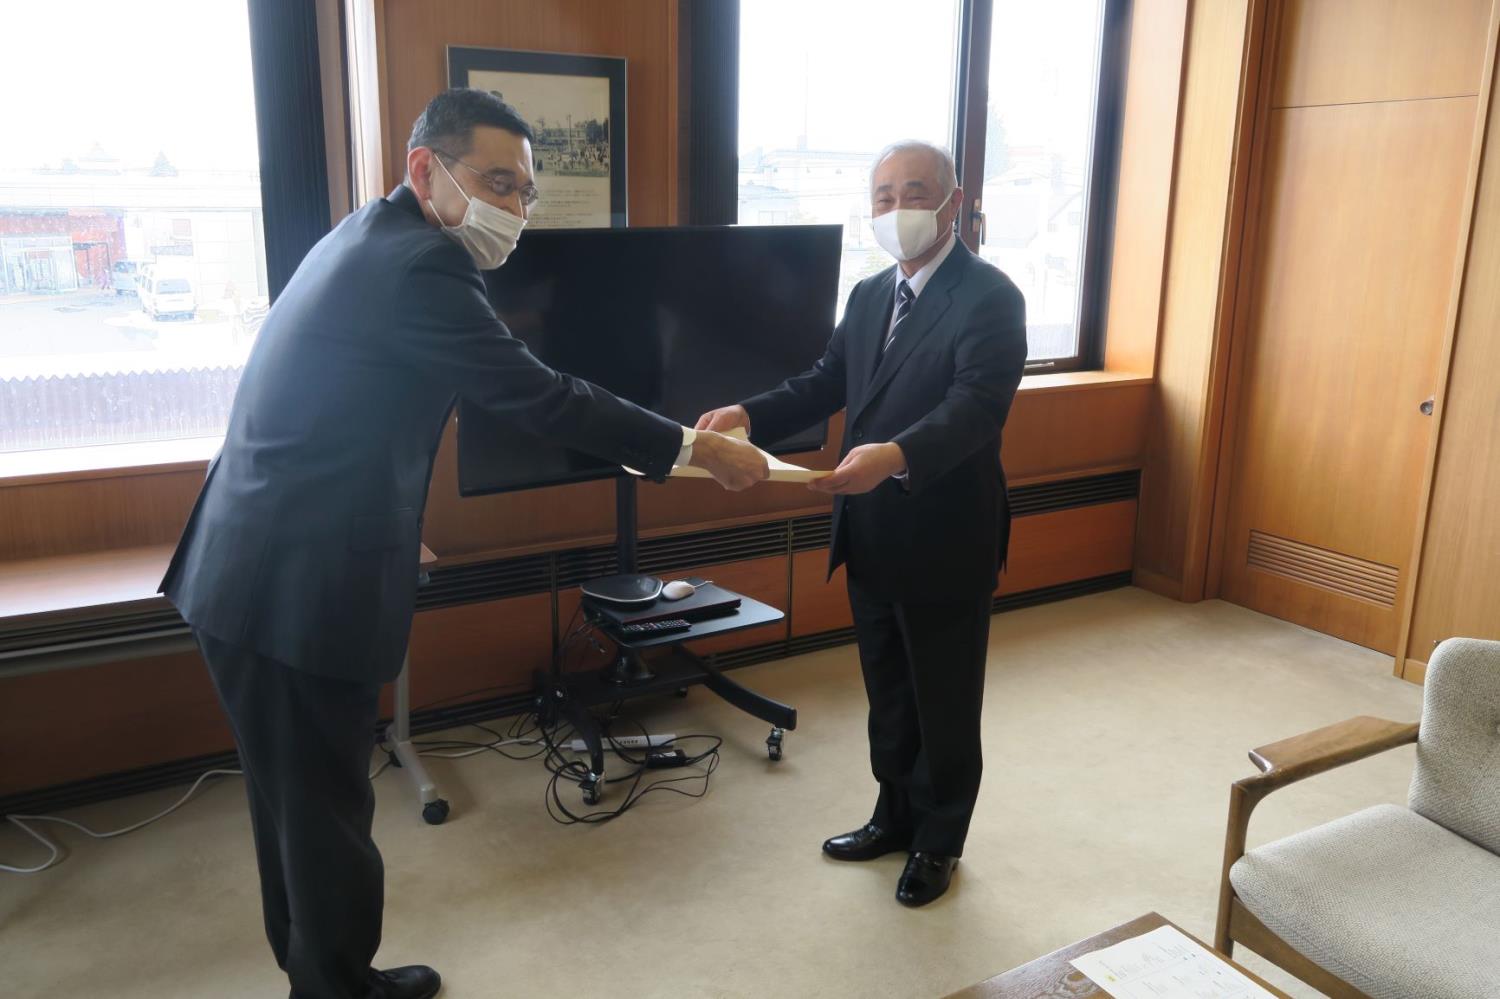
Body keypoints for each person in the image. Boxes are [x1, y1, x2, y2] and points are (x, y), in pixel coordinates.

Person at [160, 88, 766, 999]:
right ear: (424, 168)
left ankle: (322, 976)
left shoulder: (366, 235)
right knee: (323, 813)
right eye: (497, 182)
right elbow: (541, 396)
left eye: (525, 192)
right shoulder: (422, 265)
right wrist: (692, 448)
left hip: (256, 561)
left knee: (293, 806)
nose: (514, 208)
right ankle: (337, 988)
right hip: (289, 585)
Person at [697, 140, 1027, 907]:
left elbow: (975, 409)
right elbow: (824, 382)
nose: (897, 208)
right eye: (883, 196)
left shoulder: (991, 297)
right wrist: (749, 414)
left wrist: (897, 455)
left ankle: (940, 839)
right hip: (869, 526)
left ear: (952, 202)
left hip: (946, 532)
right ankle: (893, 815)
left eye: (915, 192)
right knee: (889, 692)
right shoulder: (871, 292)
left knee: (944, 699)